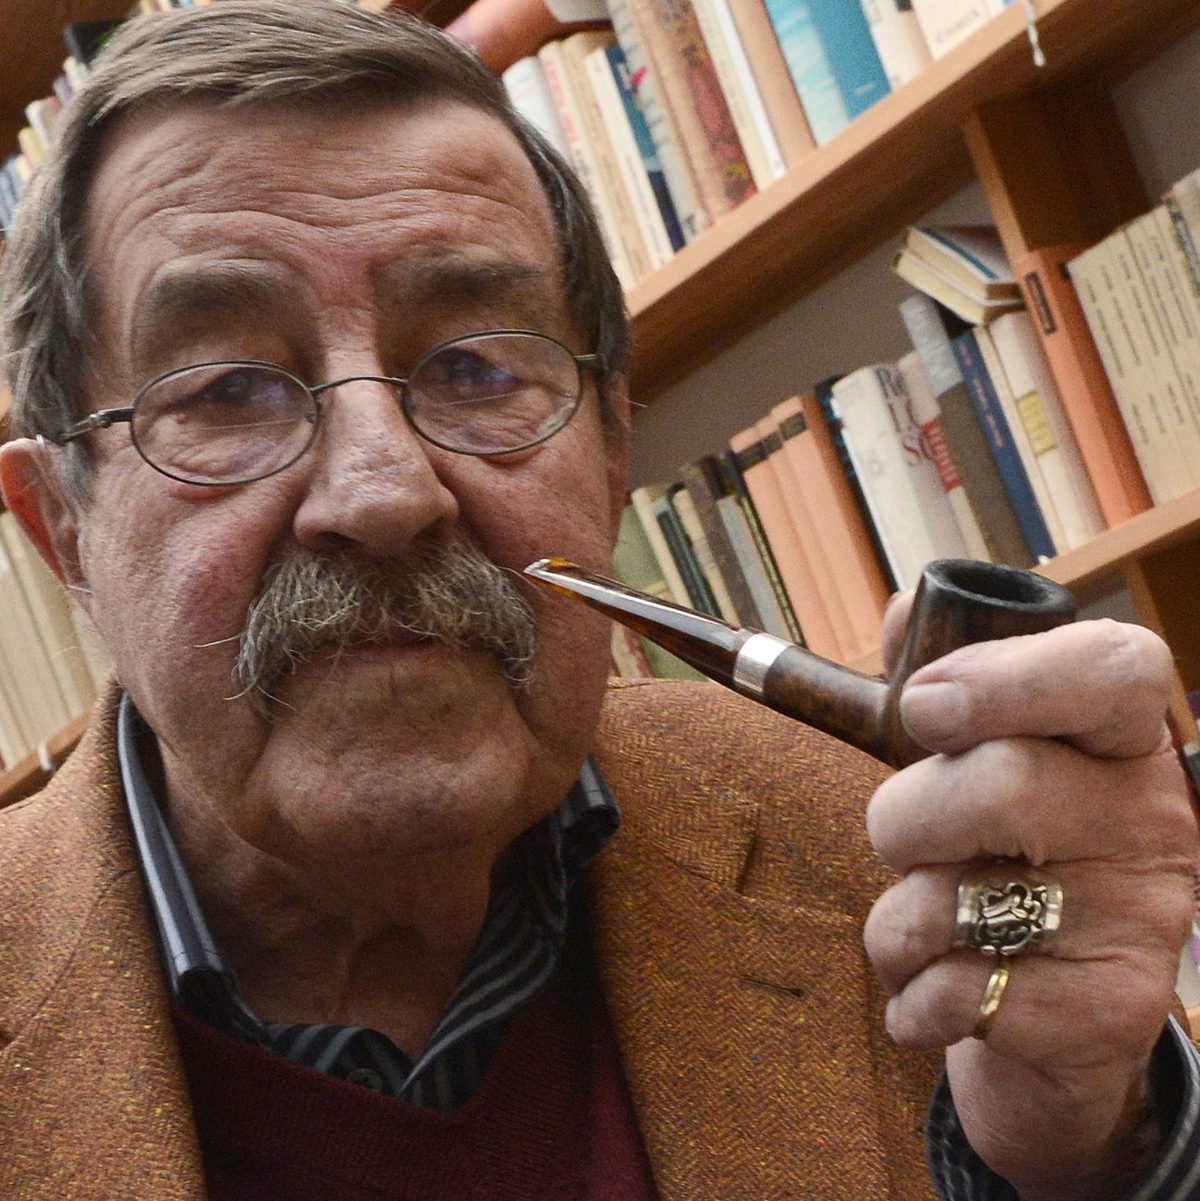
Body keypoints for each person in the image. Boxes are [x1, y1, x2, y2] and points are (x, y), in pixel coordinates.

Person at [0, 3, 1196, 1198]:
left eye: (474, 367)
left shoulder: (882, 847)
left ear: (613, 448)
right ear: (62, 526)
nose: (382, 492)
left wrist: (1093, 1150)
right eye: (226, 390)